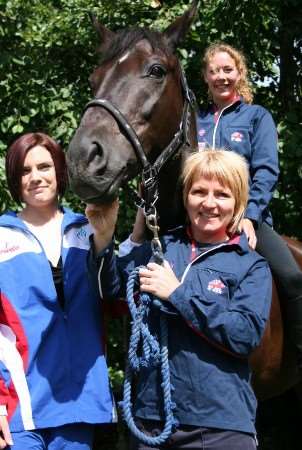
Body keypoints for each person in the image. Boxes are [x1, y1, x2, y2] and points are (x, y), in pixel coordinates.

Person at [87, 149, 272, 450]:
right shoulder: (159, 248)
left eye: (222, 194)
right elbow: (113, 291)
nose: (209, 203)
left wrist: (177, 294)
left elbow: (244, 335)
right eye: (199, 191)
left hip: (219, 427)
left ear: (237, 202)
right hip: (151, 422)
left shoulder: (250, 265)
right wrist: (104, 239)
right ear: (186, 197)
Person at [0, 132, 116, 450]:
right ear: (14, 178)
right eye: (25, 170)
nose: (36, 177)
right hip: (20, 405)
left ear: (60, 171)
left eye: (44, 167)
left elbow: (113, 296)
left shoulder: (86, 228)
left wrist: (105, 241)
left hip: (79, 404)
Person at [196, 41, 302, 369]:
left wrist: (250, 216)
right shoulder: (194, 120)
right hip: (199, 218)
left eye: (228, 70)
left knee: (291, 275)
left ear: (239, 72)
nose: (221, 77)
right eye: (214, 71)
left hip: (246, 218)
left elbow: (267, 171)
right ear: (206, 77)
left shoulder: (257, 117)